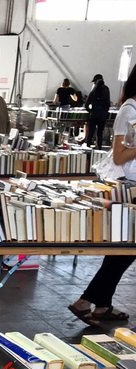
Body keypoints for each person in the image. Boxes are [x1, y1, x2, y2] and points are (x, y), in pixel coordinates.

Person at [69, 66, 136, 325]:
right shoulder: (129, 110)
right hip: (126, 187)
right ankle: (88, 301)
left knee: (123, 250)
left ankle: (98, 303)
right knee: (125, 249)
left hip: (130, 185)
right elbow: (120, 156)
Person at [85, 74, 111, 149]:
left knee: (91, 132)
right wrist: (105, 111)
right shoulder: (106, 90)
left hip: (94, 115)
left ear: (96, 82)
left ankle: (88, 146)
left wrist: (90, 110)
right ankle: (99, 146)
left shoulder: (94, 90)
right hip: (102, 116)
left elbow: (87, 103)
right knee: (100, 132)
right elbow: (108, 103)